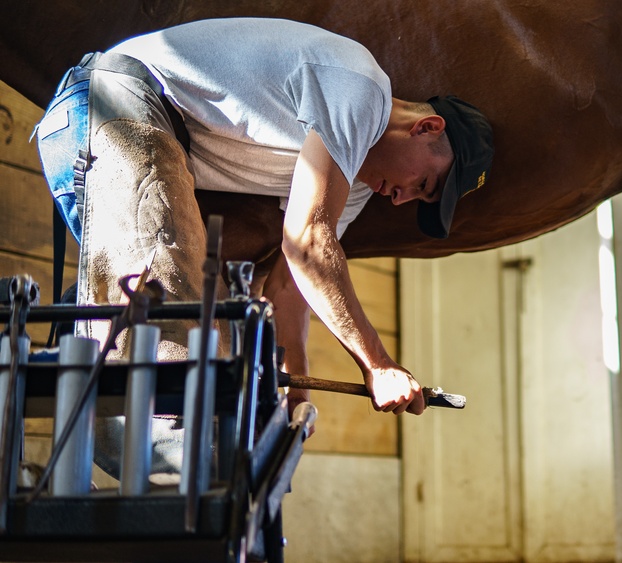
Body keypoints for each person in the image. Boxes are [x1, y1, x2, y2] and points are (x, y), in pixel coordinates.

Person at [33, 17, 494, 433]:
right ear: (426, 128)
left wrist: (294, 388)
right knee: (173, 374)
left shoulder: (351, 182)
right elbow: (308, 245)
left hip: (135, 129)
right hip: (113, 102)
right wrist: (377, 364)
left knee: (180, 368)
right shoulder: (361, 90)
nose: (401, 199)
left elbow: (287, 290)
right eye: (424, 184)